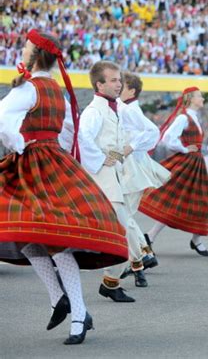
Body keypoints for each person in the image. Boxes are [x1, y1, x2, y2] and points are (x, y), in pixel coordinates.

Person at [0, 30, 128, 344]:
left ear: (34, 55)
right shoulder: (57, 90)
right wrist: (65, 161)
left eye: (27, 46)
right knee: (33, 239)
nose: (23, 49)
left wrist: (19, 144)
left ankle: (78, 311)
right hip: (54, 161)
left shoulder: (29, 88)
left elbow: (2, 120)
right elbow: (69, 130)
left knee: (51, 242)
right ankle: (62, 300)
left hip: (33, 162)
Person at [79, 61, 149, 297]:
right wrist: (101, 160)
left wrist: (118, 154)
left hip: (113, 174)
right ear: (99, 84)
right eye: (113, 80)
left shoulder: (113, 109)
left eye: (119, 80)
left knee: (122, 228)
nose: (119, 84)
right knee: (122, 228)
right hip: (102, 177)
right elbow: (83, 139)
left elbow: (127, 139)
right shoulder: (94, 111)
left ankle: (111, 282)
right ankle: (116, 276)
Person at [139, 87, 208, 256]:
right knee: (175, 200)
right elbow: (168, 138)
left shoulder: (194, 117)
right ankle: (151, 236)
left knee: (201, 201)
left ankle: (195, 240)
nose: (202, 98)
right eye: (199, 96)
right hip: (188, 162)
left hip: (195, 162)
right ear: (190, 99)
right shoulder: (183, 117)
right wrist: (185, 149)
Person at [117, 71, 170, 276]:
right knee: (124, 214)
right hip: (130, 165)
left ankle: (140, 256)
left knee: (124, 214)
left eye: (121, 85)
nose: (118, 88)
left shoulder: (129, 109)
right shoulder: (125, 107)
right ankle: (143, 253)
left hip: (133, 167)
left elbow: (152, 131)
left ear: (131, 91)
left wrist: (131, 146)